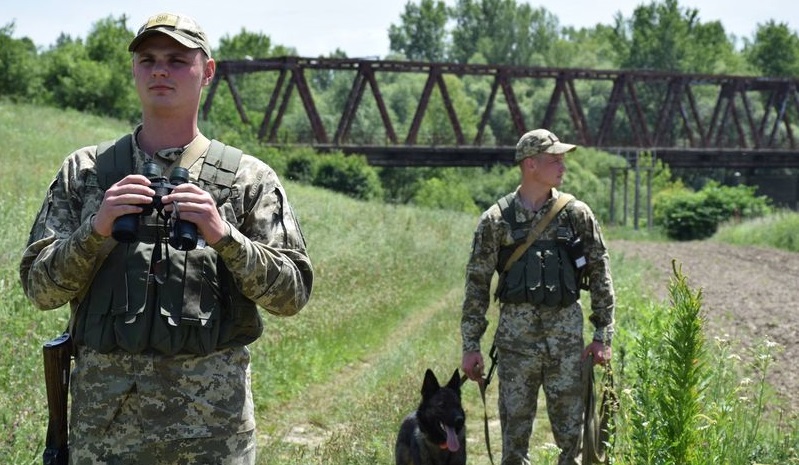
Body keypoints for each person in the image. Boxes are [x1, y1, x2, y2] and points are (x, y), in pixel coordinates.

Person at [19, 12, 313, 464]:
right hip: (107, 433)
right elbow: (40, 289)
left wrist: (222, 234)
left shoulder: (247, 179)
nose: (160, 70)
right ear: (134, 69)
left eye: (177, 59)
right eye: (148, 59)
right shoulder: (86, 171)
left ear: (207, 71)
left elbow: (291, 295)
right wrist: (96, 230)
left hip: (214, 434)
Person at [460, 129, 615, 465]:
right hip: (517, 345)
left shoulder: (577, 215)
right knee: (514, 444)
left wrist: (603, 335)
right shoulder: (496, 221)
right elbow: (477, 284)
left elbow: (601, 274)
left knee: (573, 442)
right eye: (554, 159)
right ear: (530, 164)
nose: (563, 166)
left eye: (562, 159)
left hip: (566, 344)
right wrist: (471, 345)